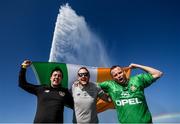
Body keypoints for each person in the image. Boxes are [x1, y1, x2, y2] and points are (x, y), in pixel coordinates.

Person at [99, 63, 163, 123]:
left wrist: (137, 66)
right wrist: (104, 97)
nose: (118, 76)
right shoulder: (109, 85)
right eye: (115, 75)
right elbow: (93, 87)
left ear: (124, 72)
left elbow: (158, 73)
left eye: (120, 73)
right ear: (113, 78)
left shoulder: (137, 80)